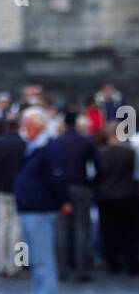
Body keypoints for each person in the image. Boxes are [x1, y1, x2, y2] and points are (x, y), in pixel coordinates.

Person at [13, 107, 73, 294]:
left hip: (40, 209)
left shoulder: (48, 148)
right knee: (37, 261)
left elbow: (57, 177)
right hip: (32, 208)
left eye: (28, 125)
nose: (24, 129)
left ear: (38, 126)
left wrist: (62, 201)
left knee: (43, 261)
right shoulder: (36, 147)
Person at [53, 108, 102, 281]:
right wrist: (92, 184)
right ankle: (81, 269)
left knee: (62, 229)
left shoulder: (57, 141)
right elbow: (99, 166)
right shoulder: (86, 141)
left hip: (62, 187)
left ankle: (62, 269)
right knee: (82, 228)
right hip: (81, 186)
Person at [97, 121, 139, 274]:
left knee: (109, 232)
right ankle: (131, 263)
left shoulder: (102, 153)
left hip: (107, 196)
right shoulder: (130, 152)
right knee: (129, 233)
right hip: (128, 195)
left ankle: (113, 263)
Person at [0, 116, 26, 276]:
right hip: (19, 190)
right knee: (18, 229)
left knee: (2, 227)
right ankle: (16, 266)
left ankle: (0, 264)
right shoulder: (23, 144)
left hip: (1, 188)